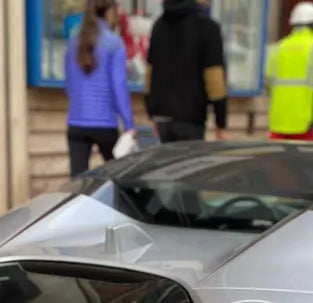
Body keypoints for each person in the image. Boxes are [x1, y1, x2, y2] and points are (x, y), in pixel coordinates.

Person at [63, 0, 134, 177]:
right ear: (109, 11)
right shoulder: (114, 43)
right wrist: (129, 124)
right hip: (105, 124)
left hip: (76, 124)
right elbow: (119, 87)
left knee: (77, 184)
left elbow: (69, 87)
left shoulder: (73, 43)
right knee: (120, 178)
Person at [144, 0, 228, 142]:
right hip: (191, 119)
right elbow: (215, 80)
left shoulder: (159, 25)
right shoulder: (208, 28)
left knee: (167, 163)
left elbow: (149, 74)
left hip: (162, 117)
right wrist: (221, 123)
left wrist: (152, 111)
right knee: (189, 164)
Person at [265, 2, 313, 141]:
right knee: (301, 160)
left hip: (278, 119)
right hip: (304, 120)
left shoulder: (278, 48)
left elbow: (268, 80)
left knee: (276, 160)